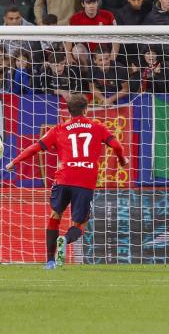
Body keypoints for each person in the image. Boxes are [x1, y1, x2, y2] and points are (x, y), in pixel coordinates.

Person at [5, 94, 128, 269]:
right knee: (81, 223)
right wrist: (122, 161)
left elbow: (35, 147)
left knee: (55, 216)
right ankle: (66, 239)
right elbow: (117, 146)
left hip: (63, 178)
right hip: (85, 181)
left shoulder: (59, 129)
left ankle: (50, 261)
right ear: (86, 109)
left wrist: (14, 162)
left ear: (69, 111)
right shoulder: (97, 127)